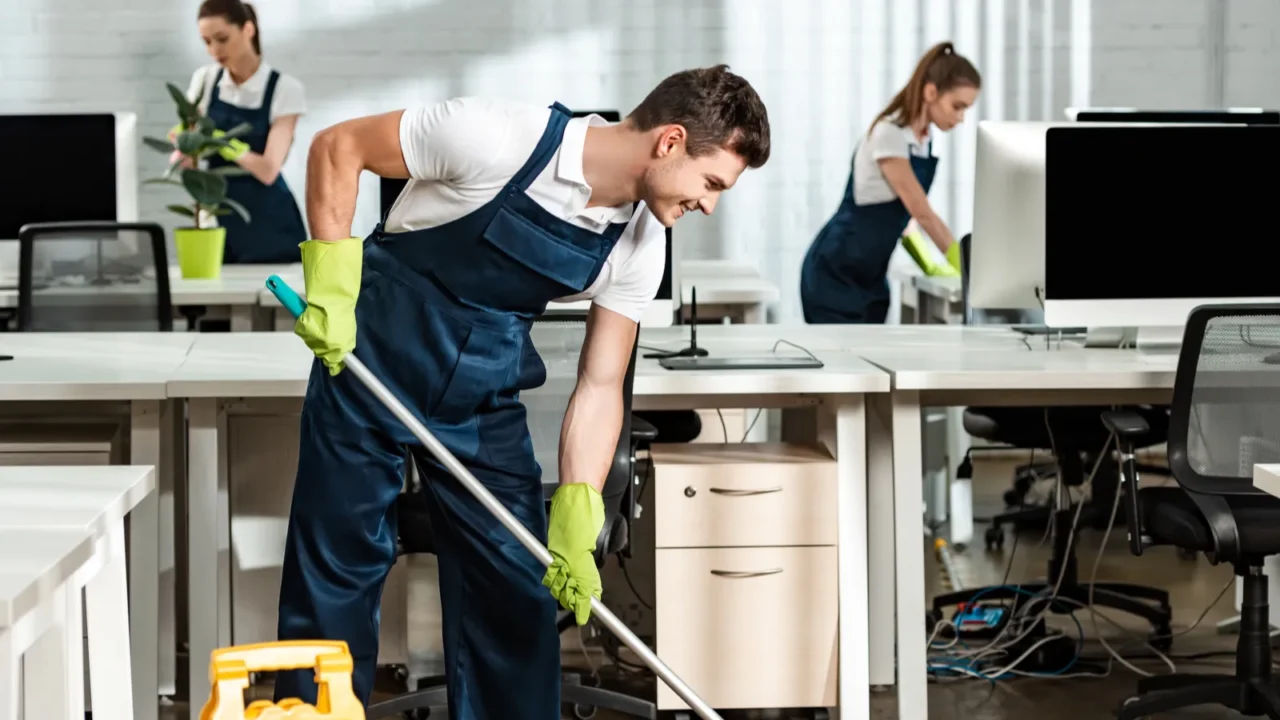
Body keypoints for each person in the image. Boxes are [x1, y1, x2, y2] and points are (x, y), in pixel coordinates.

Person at [273, 65, 771, 716]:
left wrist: (578, 510)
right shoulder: (496, 135)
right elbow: (339, 147)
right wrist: (332, 290)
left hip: (483, 394)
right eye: (711, 183)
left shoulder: (641, 244)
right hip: (369, 365)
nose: (708, 204)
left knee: (514, 587)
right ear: (671, 140)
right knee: (335, 570)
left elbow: (599, 384)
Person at [800, 41, 981, 324]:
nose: (960, 118)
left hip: (870, 277)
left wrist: (930, 263)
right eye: (957, 106)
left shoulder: (922, 142)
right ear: (931, 92)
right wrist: (967, 270)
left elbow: (902, 216)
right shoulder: (889, 134)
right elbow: (921, 212)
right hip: (836, 273)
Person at [183, 0, 308, 264]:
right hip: (218, 215)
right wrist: (182, 144)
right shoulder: (205, 81)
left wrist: (219, 143)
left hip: (270, 221)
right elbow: (188, 153)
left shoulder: (285, 89)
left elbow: (268, 169)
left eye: (222, 38)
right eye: (206, 42)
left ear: (248, 30)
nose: (214, 50)